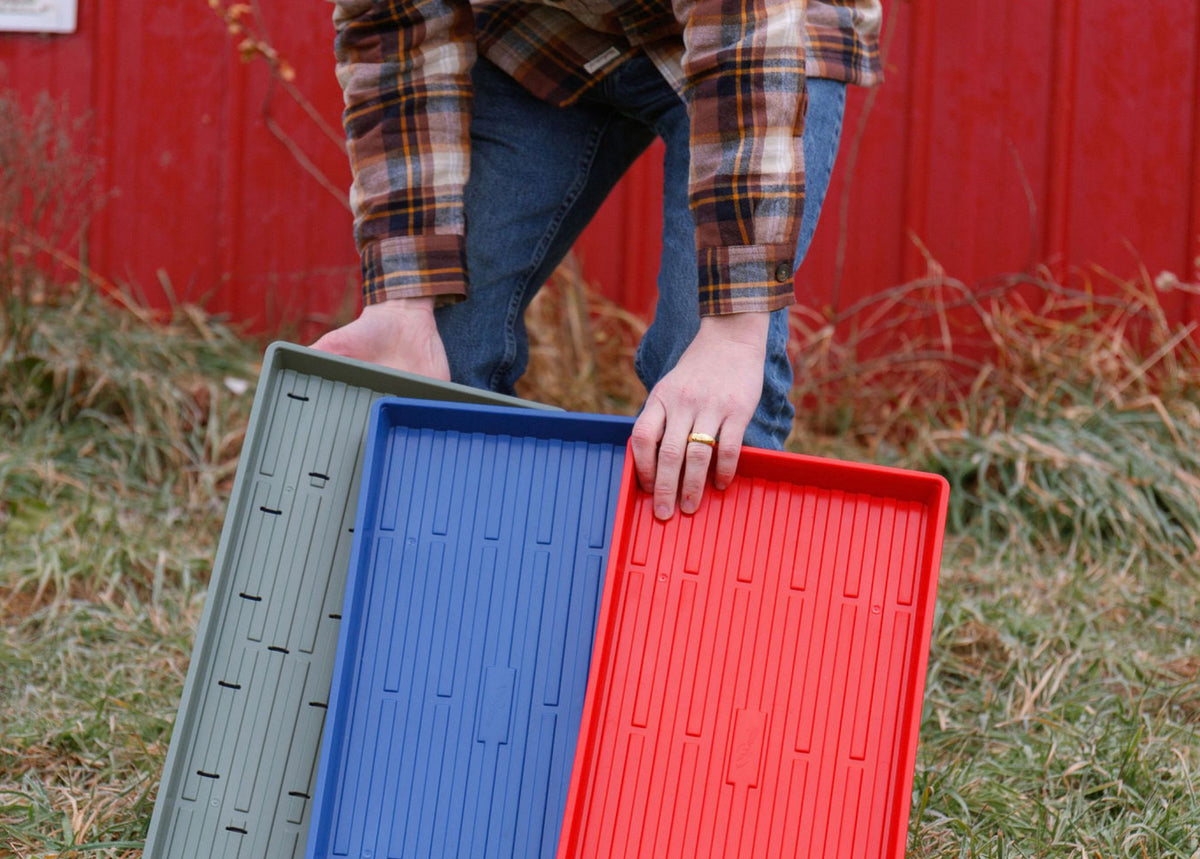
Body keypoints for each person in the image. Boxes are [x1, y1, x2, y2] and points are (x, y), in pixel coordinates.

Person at [314, 0, 882, 518]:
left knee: (709, 400)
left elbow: (742, 32)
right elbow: (393, 23)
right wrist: (403, 297)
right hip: (543, 32)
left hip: (757, 32)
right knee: (435, 352)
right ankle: (483, 599)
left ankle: (686, 620)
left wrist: (734, 337)